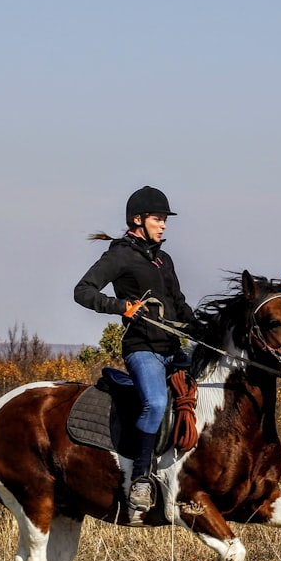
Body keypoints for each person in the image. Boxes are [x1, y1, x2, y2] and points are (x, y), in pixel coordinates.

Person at [74, 185, 195, 511]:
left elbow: (180, 305)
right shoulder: (120, 255)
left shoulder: (163, 259)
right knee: (155, 403)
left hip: (173, 348)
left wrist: (203, 328)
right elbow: (82, 292)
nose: (164, 225)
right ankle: (139, 479)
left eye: (164, 220)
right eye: (158, 219)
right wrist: (121, 306)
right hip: (142, 349)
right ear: (138, 220)